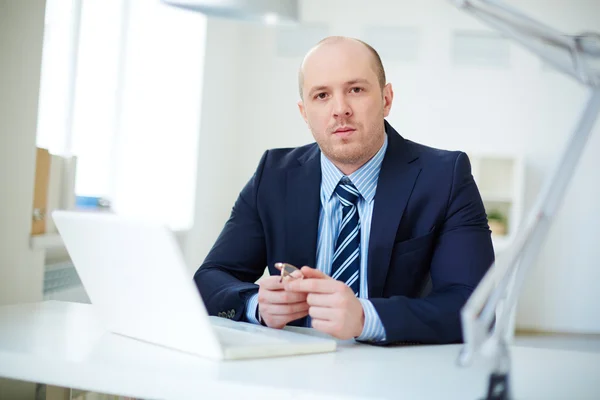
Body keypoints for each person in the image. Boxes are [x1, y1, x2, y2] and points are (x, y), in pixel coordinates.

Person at [194, 36, 494, 345]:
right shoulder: (273, 174)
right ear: (304, 112)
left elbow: (477, 307)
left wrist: (365, 318)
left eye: (356, 90)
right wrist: (256, 304)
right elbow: (209, 279)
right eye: (322, 95)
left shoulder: (445, 177)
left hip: (397, 376)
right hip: (293, 370)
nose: (340, 109)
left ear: (386, 99)